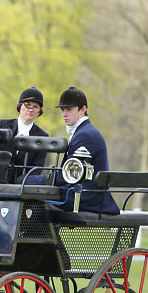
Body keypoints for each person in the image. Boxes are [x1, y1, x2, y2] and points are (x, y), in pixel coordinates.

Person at [26, 87, 119, 215]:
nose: (64, 114)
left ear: (83, 110)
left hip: (85, 197)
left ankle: (29, 234)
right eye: (62, 110)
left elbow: (69, 175)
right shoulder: (85, 131)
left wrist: (30, 180)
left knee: (30, 197)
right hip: (84, 194)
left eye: (69, 110)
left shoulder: (85, 135)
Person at [0, 87, 48, 181]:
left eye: (35, 106)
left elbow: (38, 167)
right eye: (27, 105)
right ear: (19, 106)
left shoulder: (42, 136)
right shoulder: (3, 125)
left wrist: (23, 181)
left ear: (39, 112)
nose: (31, 109)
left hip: (22, 185)